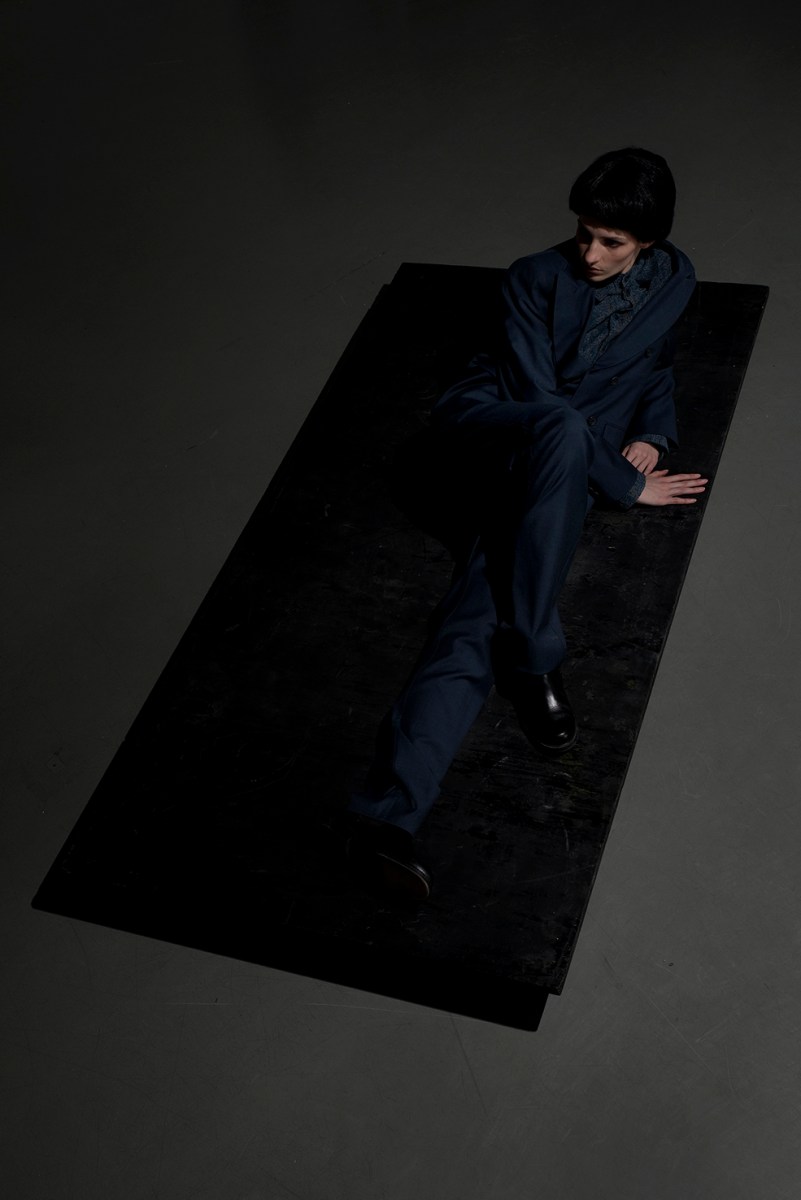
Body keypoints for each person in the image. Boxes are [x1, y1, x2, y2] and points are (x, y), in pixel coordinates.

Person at [343, 147, 707, 901]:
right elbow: (541, 401)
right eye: (584, 234)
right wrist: (626, 482)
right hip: (499, 427)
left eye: (611, 241)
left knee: (479, 618)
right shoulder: (532, 277)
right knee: (561, 426)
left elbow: (658, 364)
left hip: (572, 459)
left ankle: (386, 820)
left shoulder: (675, 279)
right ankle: (538, 655)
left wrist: (652, 430)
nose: (590, 253)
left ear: (650, 242)